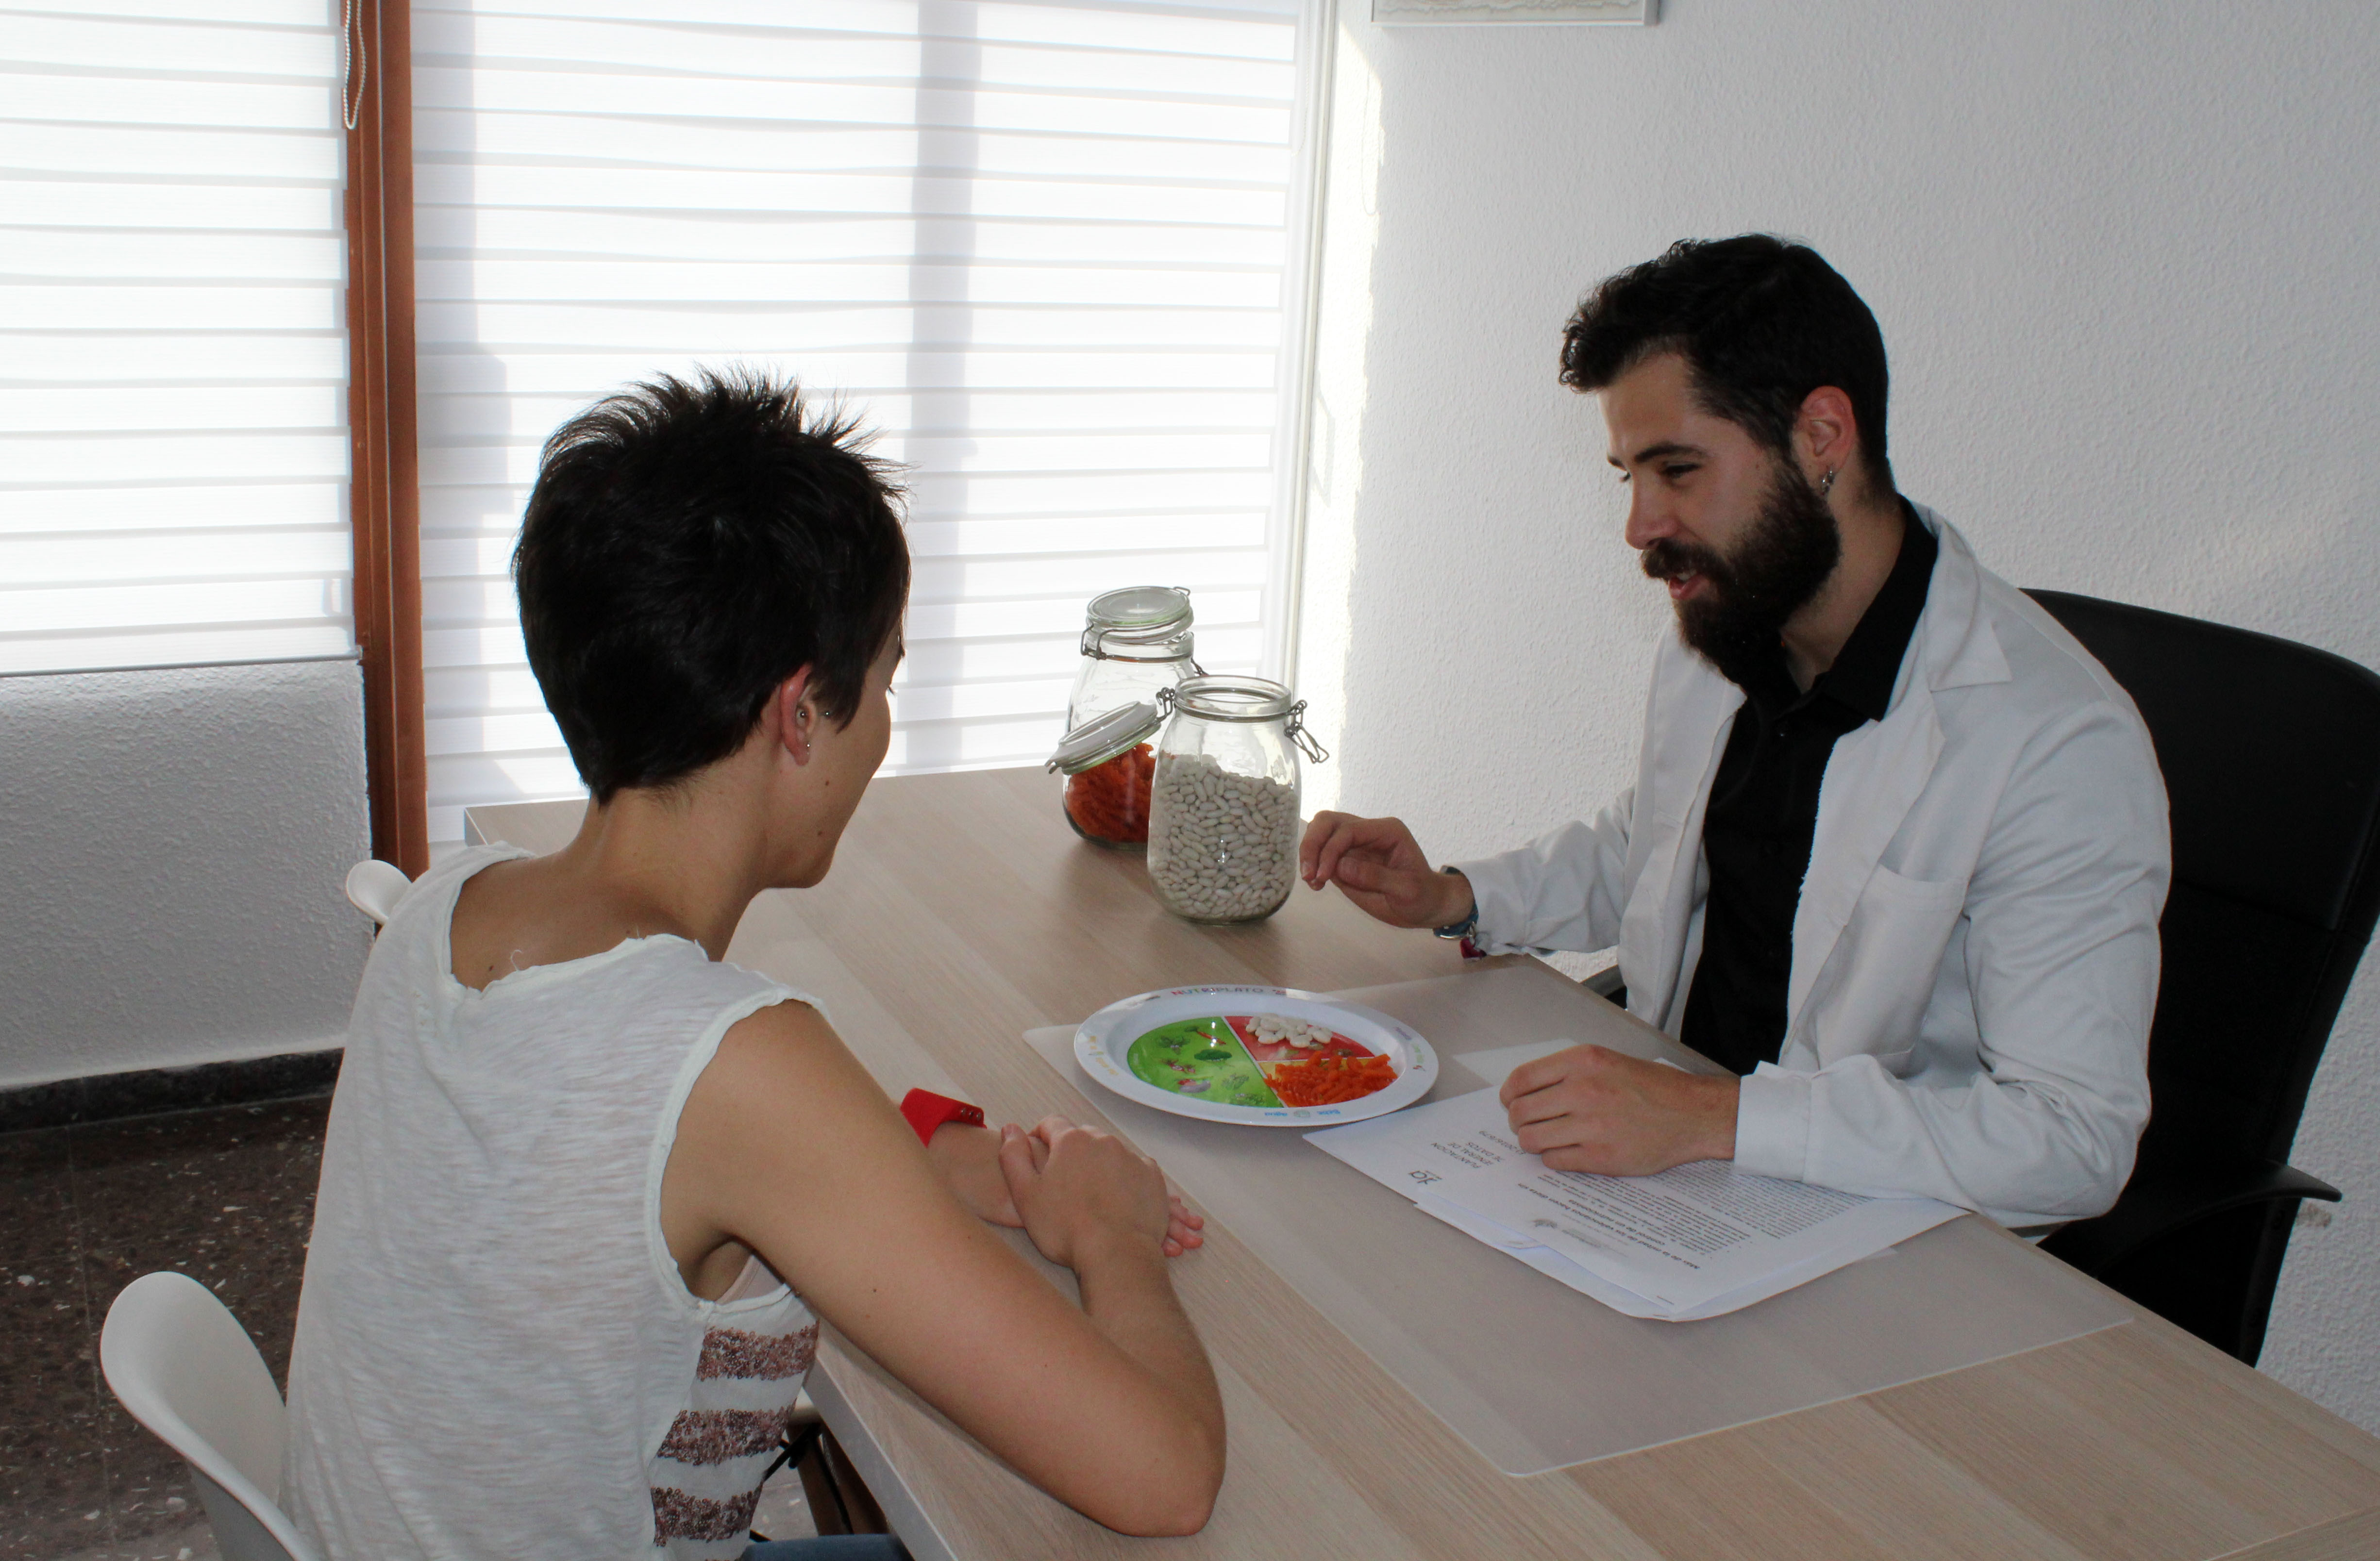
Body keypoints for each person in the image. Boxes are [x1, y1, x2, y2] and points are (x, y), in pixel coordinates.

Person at [281, 370, 1224, 1561]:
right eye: (884, 679)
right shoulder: (735, 1064)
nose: (883, 725)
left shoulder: (444, 908)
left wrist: (914, 1156)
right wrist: (1112, 1236)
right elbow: (1164, 1479)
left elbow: (631, 1141)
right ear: (797, 716)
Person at [1300, 236, 2170, 1231]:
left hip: (1886, 1234)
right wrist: (1457, 897)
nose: (1640, 523)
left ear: (1822, 437)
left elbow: (2070, 1143)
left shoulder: (2054, 743)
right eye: (1629, 474)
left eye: (1677, 469)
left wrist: (1717, 1117)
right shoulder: (1729, 626)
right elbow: (1655, 844)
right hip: (1675, 1183)